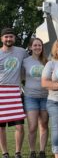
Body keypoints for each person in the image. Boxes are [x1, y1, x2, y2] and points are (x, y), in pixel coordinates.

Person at [0, 28, 27, 158]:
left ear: (14, 38)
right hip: (1, 92)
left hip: (16, 91)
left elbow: (29, 66)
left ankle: (18, 153)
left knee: (20, 126)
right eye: (6, 37)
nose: (8, 39)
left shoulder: (21, 52)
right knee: (1, 127)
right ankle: (5, 153)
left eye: (11, 37)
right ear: (2, 39)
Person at [22, 38, 49, 158]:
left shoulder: (47, 61)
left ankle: (42, 151)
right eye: (35, 45)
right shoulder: (25, 61)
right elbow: (20, 76)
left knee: (43, 124)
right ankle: (32, 151)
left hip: (45, 97)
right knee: (32, 126)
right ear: (30, 47)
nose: (38, 47)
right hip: (30, 97)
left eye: (40, 45)